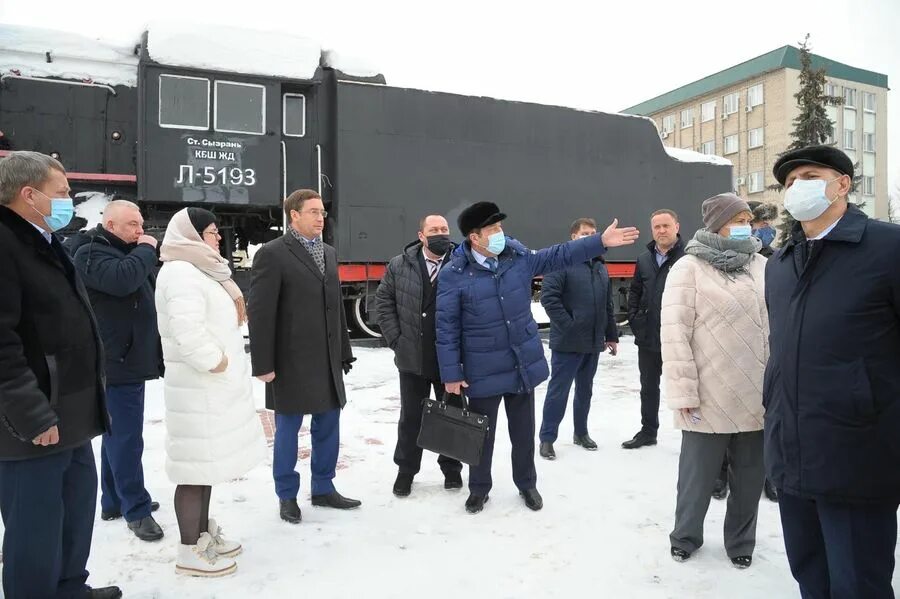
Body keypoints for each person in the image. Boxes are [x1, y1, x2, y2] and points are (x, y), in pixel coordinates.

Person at [436, 201, 638, 514]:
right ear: (475, 238)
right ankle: (479, 488)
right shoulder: (455, 273)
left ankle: (526, 484)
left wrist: (599, 242)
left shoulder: (516, 258)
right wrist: (451, 373)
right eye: (493, 230)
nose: (500, 234)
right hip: (481, 367)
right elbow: (446, 326)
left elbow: (559, 255)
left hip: (520, 363)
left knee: (523, 433)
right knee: (482, 436)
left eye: (500, 227)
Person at [765, 145, 900, 598]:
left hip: (858, 453)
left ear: (842, 184)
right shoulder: (780, 265)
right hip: (792, 451)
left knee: (858, 583)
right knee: (810, 574)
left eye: (807, 175)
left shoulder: (888, 248)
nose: (795, 187)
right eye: (788, 182)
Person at [0, 151, 121, 598]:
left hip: (69, 413)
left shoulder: (43, 239)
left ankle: (70, 588)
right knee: (35, 531)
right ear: (29, 195)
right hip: (32, 422)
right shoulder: (5, 243)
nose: (70, 200)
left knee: (73, 512)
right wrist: (31, 413)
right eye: (63, 192)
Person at [155, 207, 266, 577]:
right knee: (192, 470)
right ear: (191, 234)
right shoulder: (181, 272)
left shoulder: (200, 268)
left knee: (204, 467)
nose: (218, 237)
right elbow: (187, 332)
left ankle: (201, 536)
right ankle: (189, 550)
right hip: (198, 389)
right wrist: (216, 361)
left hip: (209, 391)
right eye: (212, 231)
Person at [662, 193, 768, 569]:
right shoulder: (688, 268)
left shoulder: (761, 265)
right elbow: (675, 335)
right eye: (738, 217)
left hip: (757, 392)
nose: (747, 224)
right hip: (707, 394)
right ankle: (685, 536)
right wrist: (683, 392)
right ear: (717, 223)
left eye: (749, 217)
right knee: (697, 477)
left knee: (750, 477)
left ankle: (741, 540)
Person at [249, 189, 361, 524]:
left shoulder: (327, 251)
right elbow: (261, 311)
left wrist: (343, 351)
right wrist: (263, 364)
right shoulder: (272, 254)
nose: (320, 217)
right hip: (290, 362)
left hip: (326, 360)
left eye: (322, 212)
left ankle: (324, 487)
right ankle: (287, 495)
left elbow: (334, 309)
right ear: (293, 215)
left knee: (328, 425)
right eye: (313, 211)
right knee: (288, 431)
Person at [71, 200, 164, 541]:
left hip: (126, 360)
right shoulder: (92, 253)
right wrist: (146, 249)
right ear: (110, 225)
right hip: (116, 363)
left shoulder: (120, 251)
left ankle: (113, 500)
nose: (141, 231)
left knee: (117, 435)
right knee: (126, 439)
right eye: (133, 225)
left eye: (141, 225)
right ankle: (136, 510)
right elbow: (124, 281)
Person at [375, 214, 464, 497]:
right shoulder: (399, 265)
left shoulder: (463, 263)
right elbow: (383, 302)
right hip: (413, 356)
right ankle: (406, 471)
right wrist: (396, 340)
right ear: (421, 235)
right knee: (411, 417)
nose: (441, 234)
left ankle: (451, 470)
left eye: (445, 229)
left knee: (451, 415)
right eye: (434, 230)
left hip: (451, 358)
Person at [711, 200, 780, 504]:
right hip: (730, 350)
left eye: (766, 226)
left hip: (766, 348)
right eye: (759, 225)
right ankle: (720, 473)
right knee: (728, 415)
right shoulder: (729, 256)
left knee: (764, 420)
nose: (764, 230)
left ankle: (769, 476)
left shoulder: (774, 259)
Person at [538, 217, 619, 459]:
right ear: (574, 237)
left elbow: (607, 304)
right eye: (585, 233)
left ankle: (581, 433)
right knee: (558, 391)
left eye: (594, 233)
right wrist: (569, 326)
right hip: (568, 342)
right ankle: (547, 438)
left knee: (585, 390)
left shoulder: (600, 265)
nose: (591, 236)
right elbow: (549, 299)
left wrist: (611, 335)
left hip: (593, 342)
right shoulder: (560, 263)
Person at [622, 209, 685, 450]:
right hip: (648, 336)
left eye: (666, 226)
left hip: (678, 337)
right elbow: (635, 291)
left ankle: (693, 435)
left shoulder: (688, 257)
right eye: (656, 227)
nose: (661, 231)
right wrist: (636, 319)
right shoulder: (644, 259)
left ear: (676, 226)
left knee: (685, 388)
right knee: (648, 387)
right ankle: (648, 431)